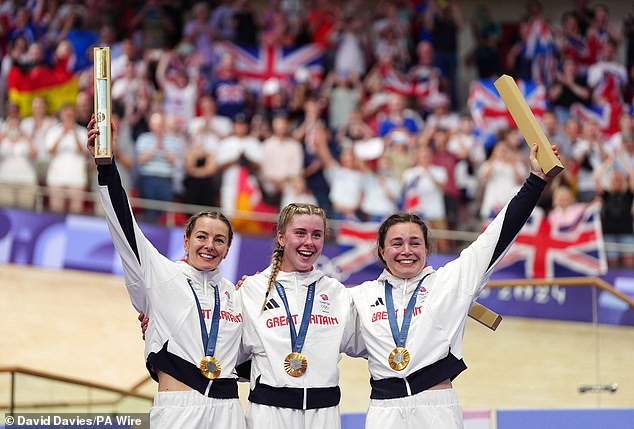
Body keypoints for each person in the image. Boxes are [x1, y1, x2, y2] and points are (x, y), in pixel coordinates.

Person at [348, 143, 561, 429]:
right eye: (396, 243)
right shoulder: (360, 296)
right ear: (382, 251)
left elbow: (496, 236)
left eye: (415, 243)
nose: (406, 250)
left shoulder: (450, 281)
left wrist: (536, 181)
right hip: (383, 411)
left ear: (427, 249)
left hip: (437, 410)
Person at [86, 116, 245, 429]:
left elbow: (250, 359)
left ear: (227, 250)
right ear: (186, 240)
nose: (209, 246)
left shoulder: (233, 295)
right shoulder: (160, 274)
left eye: (219, 240)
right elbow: (124, 225)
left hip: (230, 411)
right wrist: (106, 164)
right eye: (202, 237)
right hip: (179, 410)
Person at [238, 202, 365, 429]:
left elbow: (369, 340)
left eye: (317, 235)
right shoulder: (252, 290)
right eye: (300, 233)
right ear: (281, 237)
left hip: (324, 415)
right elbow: (227, 350)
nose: (309, 242)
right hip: (269, 414)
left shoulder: (336, 292)